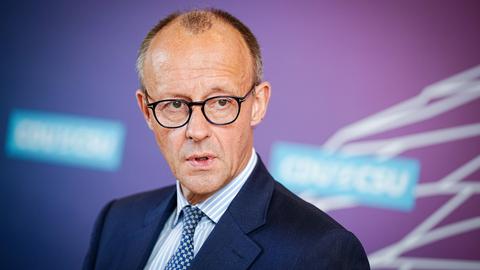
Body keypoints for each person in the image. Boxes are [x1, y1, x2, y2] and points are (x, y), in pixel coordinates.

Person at [83, 8, 370, 270]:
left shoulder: (322, 252)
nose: (197, 131)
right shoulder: (116, 221)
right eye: (174, 105)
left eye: (220, 103)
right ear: (147, 111)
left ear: (257, 104)